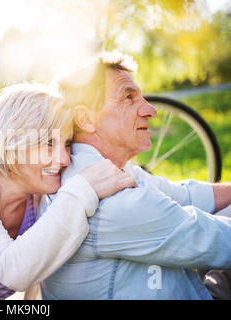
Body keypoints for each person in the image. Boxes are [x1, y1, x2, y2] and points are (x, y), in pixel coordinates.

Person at [40, 51, 231, 300]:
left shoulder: (103, 168)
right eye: (129, 97)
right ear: (86, 119)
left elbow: (183, 194)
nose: (150, 109)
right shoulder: (111, 199)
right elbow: (213, 239)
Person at [0, 83, 136, 299]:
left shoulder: (39, 191)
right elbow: (13, 272)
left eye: (67, 143)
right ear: (13, 141)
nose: (64, 159)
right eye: (49, 143)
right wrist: (81, 191)